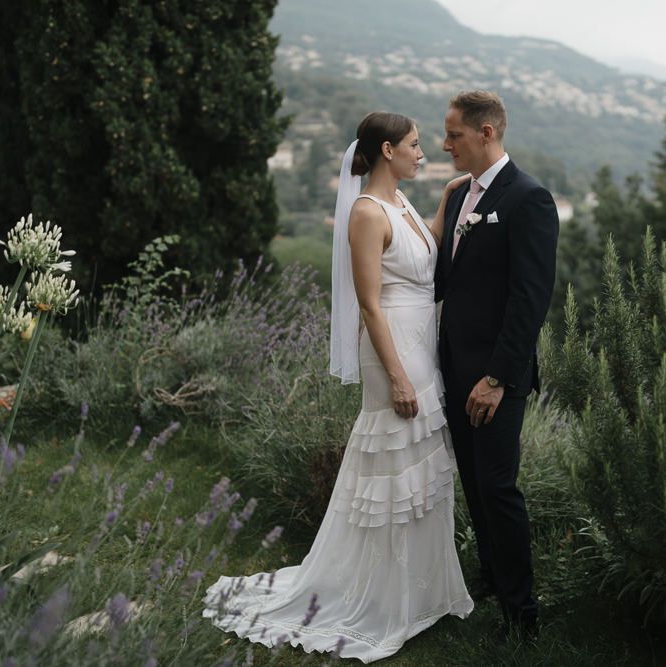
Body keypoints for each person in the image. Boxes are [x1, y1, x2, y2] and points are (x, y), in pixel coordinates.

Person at [203, 112, 473, 662]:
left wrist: (446, 199)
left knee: (422, 461)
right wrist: (396, 373)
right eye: (415, 146)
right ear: (386, 150)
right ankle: (381, 598)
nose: (423, 153)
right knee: (395, 466)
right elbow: (370, 302)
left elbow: (424, 253)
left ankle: (422, 592)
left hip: (423, 341)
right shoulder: (367, 213)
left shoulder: (402, 204)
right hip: (392, 347)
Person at [434, 91, 559, 640]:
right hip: (453, 366)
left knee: (499, 487)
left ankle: (522, 614)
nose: (446, 144)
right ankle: (490, 579)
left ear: (487, 133)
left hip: (495, 376)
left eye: (454, 133)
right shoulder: (461, 194)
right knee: (474, 484)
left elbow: (529, 299)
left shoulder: (529, 198)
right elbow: (447, 281)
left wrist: (497, 379)